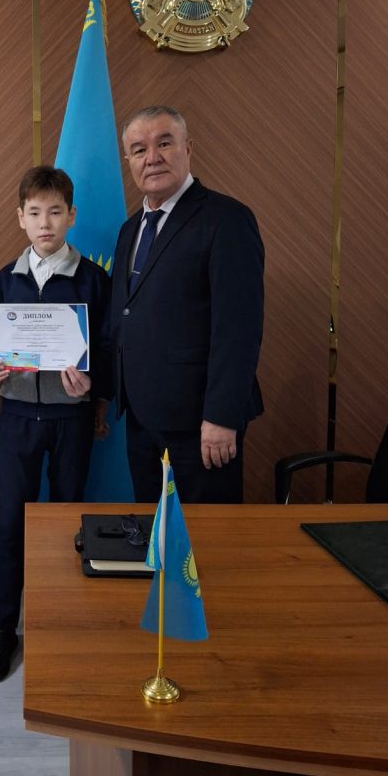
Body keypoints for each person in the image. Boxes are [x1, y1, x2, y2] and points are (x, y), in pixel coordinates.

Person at [0, 166, 111, 682]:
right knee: (11, 521)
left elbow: (105, 349)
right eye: (34, 212)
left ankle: (61, 621)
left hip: (71, 418)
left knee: (66, 519)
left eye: (55, 211)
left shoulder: (92, 279)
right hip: (17, 416)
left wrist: (92, 384)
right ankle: (2, 627)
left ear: (71, 216)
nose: (45, 222)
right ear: (20, 218)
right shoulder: (6, 279)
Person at [112, 105, 264, 504]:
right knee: (154, 532)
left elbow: (239, 330)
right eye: (139, 149)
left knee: (206, 536)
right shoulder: (130, 230)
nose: (152, 157)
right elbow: (125, 316)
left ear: (188, 148)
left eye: (164, 143)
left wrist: (221, 417)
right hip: (141, 420)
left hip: (200, 423)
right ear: (128, 160)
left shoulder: (226, 220)